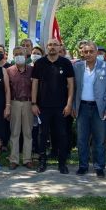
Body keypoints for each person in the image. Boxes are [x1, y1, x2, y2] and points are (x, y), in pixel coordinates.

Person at [72, 42, 106, 177]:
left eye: (91, 51)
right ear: (82, 53)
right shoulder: (77, 67)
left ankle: (99, 166)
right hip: (82, 107)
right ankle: (83, 166)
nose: (88, 54)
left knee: (100, 139)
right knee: (82, 139)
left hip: (99, 108)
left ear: (97, 52)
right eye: (86, 52)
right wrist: (74, 106)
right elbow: (73, 89)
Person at [31, 38, 75, 174]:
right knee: (42, 135)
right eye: (49, 45)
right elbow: (35, 84)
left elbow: (71, 85)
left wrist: (69, 104)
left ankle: (62, 163)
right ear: (46, 47)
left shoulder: (66, 63)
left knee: (61, 134)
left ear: (59, 47)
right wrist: (33, 103)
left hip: (61, 107)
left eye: (55, 45)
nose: (52, 47)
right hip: (43, 106)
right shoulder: (39, 63)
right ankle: (42, 161)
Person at [6, 46, 34, 169]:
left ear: (26, 54)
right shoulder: (9, 71)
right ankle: (14, 159)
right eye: (16, 54)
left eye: (21, 53)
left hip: (28, 103)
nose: (19, 56)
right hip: (14, 102)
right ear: (13, 55)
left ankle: (27, 159)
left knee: (28, 132)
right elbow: (6, 90)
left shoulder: (33, 70)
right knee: (15, 132)